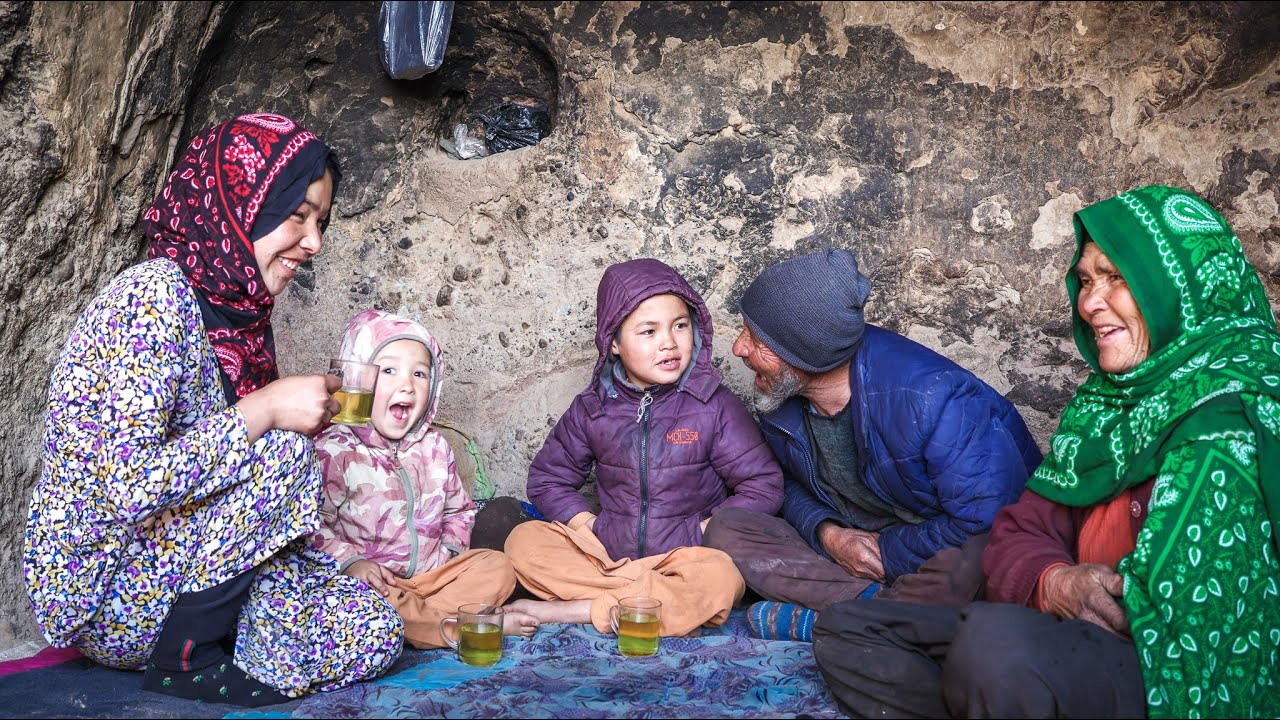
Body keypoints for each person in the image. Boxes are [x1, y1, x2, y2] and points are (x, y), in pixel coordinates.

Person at [811, 185, 1280, 718]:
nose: (1089, 302)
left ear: (1180, 289)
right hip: (1062, 638)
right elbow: (1022, 529)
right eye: (1085, 280)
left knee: (993, 645)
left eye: (1117, 278)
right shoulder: (1105, 409)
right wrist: (1053, 581)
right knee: (851, 629)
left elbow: (1203, 627)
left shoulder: (1239, 413)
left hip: (1167, 670)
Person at [23, 113, 403, 707]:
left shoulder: (241, 317)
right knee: (281, 450)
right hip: (108, 587)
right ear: (241, 201)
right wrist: (267, 408)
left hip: (187, 569)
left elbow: (232, 500)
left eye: (321, 221)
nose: (314, 242)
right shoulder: (152, 299)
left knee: (374, 630)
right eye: (297, 214)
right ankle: (187, 659)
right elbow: (126, 486)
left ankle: (232, 643)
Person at [702, 247, 1043, 641]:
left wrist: (888, 552)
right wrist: (829, 533)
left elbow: (990, 522)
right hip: (848, 552)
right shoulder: (779, 393)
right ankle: (876, 613)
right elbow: (789, 483)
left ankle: (851, 619)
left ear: (804, 352)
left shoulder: (935, 399)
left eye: (756, 339)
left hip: (927, 554)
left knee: (974, 567)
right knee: (729, 527)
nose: (738, 348)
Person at [502, 258, 784, 637]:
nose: (669, 342)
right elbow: (548, 478)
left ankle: (581, 610)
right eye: (648, 331)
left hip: (682, 558)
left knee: (722, 578)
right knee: (524, 541)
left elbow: (763, 483)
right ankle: (641, 603)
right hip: (607, 559)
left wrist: (706, 529)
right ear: (614, 342)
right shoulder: (594, 407)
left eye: (680, 326)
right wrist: (587, 527)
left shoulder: (713, 405)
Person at [313, 309, 539, 648]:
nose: (407, 385)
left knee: (497, 566)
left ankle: (422, 624)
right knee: (349, 601)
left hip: (434, 579)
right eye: (389, 370)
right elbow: (310, 525)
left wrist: (449, 550)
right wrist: (350, 562)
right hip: (375, 584)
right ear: (356, 377)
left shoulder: (435, 447)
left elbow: (459, 511)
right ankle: (463, 626)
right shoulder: (335, 450)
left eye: (420, 373)